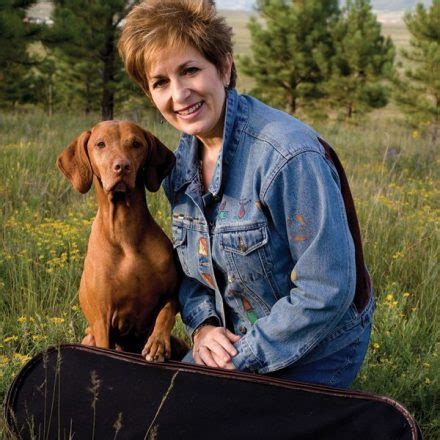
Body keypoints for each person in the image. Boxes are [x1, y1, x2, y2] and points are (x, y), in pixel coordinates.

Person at [118, 0, 374, 388]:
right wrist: (203, 327)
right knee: (158, 412)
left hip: (317, 347)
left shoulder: (288, 155)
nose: (180, 95)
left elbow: (327, 288)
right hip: (231, 344)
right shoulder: (180, 167)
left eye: (190, 70)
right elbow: (192, 274)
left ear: (223, 66)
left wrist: (241, 357)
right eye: (160, 82)